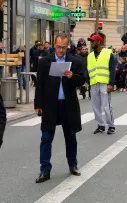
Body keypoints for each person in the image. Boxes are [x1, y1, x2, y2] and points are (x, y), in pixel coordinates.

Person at [34, 33, 85, 183]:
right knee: (46, 138)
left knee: (71, 138)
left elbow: (82, 80)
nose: (60, 50)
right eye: (58, 47)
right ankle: (45, 170)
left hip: (68, 105)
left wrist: (72, 76)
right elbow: (40, 84)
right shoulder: (45, 62)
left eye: (63, 47)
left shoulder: (75, 61)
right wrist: (38, 105)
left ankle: (73, 165)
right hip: (50, 106)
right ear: (54, 45)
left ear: (67, 46)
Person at [87, 34, 117, 135]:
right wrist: (86, 82)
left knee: (106, 106)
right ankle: (100, 125)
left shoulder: (108, 53)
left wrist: (111, 83)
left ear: (99, 42)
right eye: (90, 41)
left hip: (105, 83)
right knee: (95, 106)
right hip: (94, 83)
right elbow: (88, 69)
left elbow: (112, 69)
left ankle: (111, 125)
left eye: (93, 41)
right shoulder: (90, 55)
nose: (91, 43)